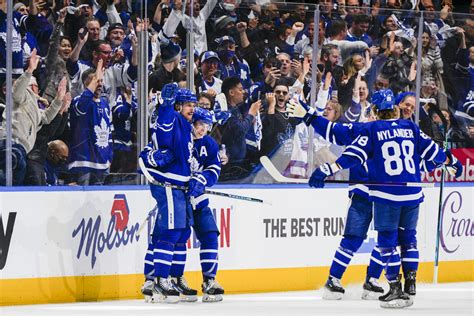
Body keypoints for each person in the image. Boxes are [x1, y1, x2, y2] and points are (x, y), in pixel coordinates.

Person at [298, 89, 462, 308]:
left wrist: (327, 163)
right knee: (357, 238)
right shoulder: (370, 128)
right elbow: (332, 131)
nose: (408, 109)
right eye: (406, 105)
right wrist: (448, 162)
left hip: (383, 195)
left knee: (387, 240)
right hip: (366, 195)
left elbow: (347, 149)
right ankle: (334, 280)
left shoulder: (375, 129)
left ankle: (373, 282)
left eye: (411, 107)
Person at [139, 84, 196, 304]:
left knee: (180, 235)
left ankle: (170, 276)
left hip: (180, 187)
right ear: (178, 105)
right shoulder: (172, 117)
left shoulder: (187, 125)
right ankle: (160, 279)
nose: (192, 108)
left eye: (194, 104)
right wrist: (166, 106)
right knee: (171, 234)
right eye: (189, 104)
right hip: (168, 186)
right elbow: (163, 133)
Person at [169, 106, 225, 303]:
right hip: (179, 198)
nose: (203, 129)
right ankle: (175, 279)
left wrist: (202, 179)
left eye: (206, 126)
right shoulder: (181, 139)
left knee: (210, 235)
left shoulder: (209, 144)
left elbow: (214, 168)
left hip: (199, 199)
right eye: (199, 124)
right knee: (179, 237)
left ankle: (209, 280)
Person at [0, 49, 66, 185]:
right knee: (7, 181)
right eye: (33, 85)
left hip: (21, 149)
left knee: (14, 184)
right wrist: (29, 71)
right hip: (11, 144)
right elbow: (17, 91)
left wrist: (59, 100)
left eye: (36, 85)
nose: (36, 88)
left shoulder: (34, 107)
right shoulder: (23, 97)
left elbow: (47, 117)